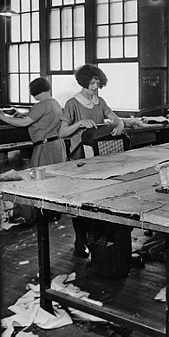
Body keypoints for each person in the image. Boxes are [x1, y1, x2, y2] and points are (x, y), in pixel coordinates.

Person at [59, 64, 125, 257]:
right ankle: (80, 239)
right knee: (81, 201)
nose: (95, 87)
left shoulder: (100, 102)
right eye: (92, 83)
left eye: (97, 83)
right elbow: (62, 132)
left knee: (99, 198)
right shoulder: (72, 103)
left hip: (99, 156)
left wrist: (119, 123)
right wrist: (79, 124)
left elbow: (115, 118)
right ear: (83, 82)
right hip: (80, 158)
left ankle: (97, 240)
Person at [0, 77, 67, 168]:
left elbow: (23, 123)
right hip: (56, 144)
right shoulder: (55, 103)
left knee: (42, 176)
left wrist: (2, 117)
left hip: (45, 147)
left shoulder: (41, 105)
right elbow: (44, 116)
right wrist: (25, 114)